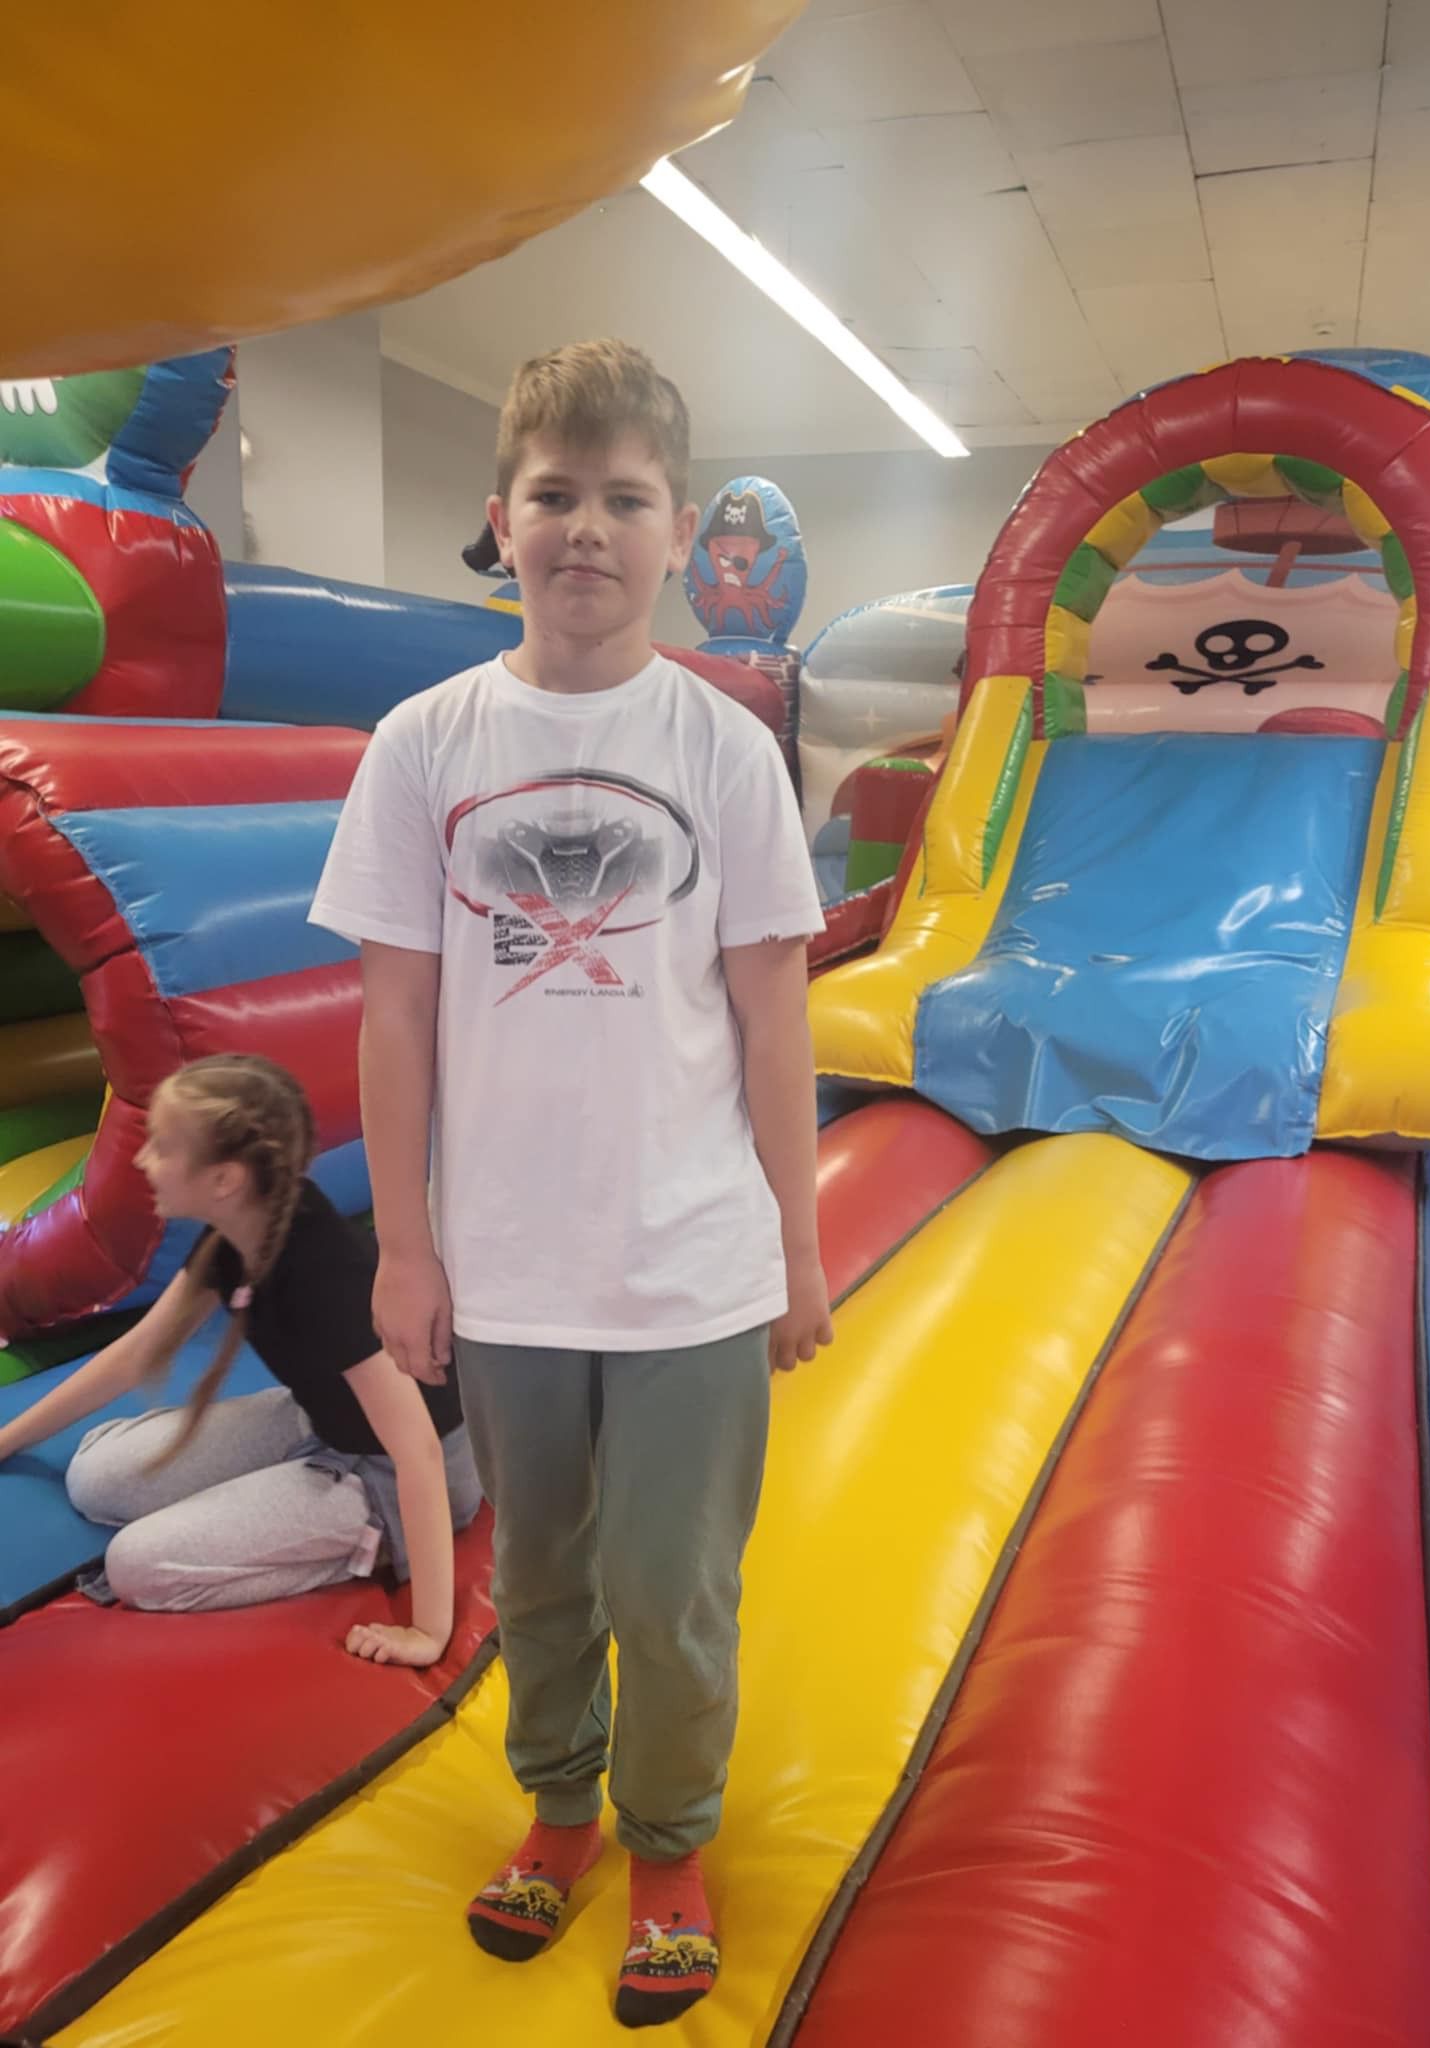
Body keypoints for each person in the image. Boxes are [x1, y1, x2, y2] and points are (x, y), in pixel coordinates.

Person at [309, 338, 832, 2027]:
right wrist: (405, 1248)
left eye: (624, 498)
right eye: (555, 494)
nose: (586, 528)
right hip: (510, 1259)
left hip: (689, 1256)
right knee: (539, 1569)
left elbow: (772, 1012)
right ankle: (559, 1806)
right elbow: (395, 1014)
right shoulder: (426, 740)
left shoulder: (724, 746)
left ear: (677, 532)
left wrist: (799, 1244)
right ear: (502, 518)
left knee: (669, 1588)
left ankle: (668, 1841)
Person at [0, 1054, 481, 1664]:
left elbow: (419, 1452)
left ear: (224, 1178)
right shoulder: (239, 1232)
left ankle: (358, 1541)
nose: (143, 1161)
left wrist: (428, 1632)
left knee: (135, 1567)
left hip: (396, 1472)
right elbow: (135, 1355)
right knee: (95, 1477)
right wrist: (8, 1439)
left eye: (162, 1147)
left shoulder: (326, 1277)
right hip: (317, 1422)